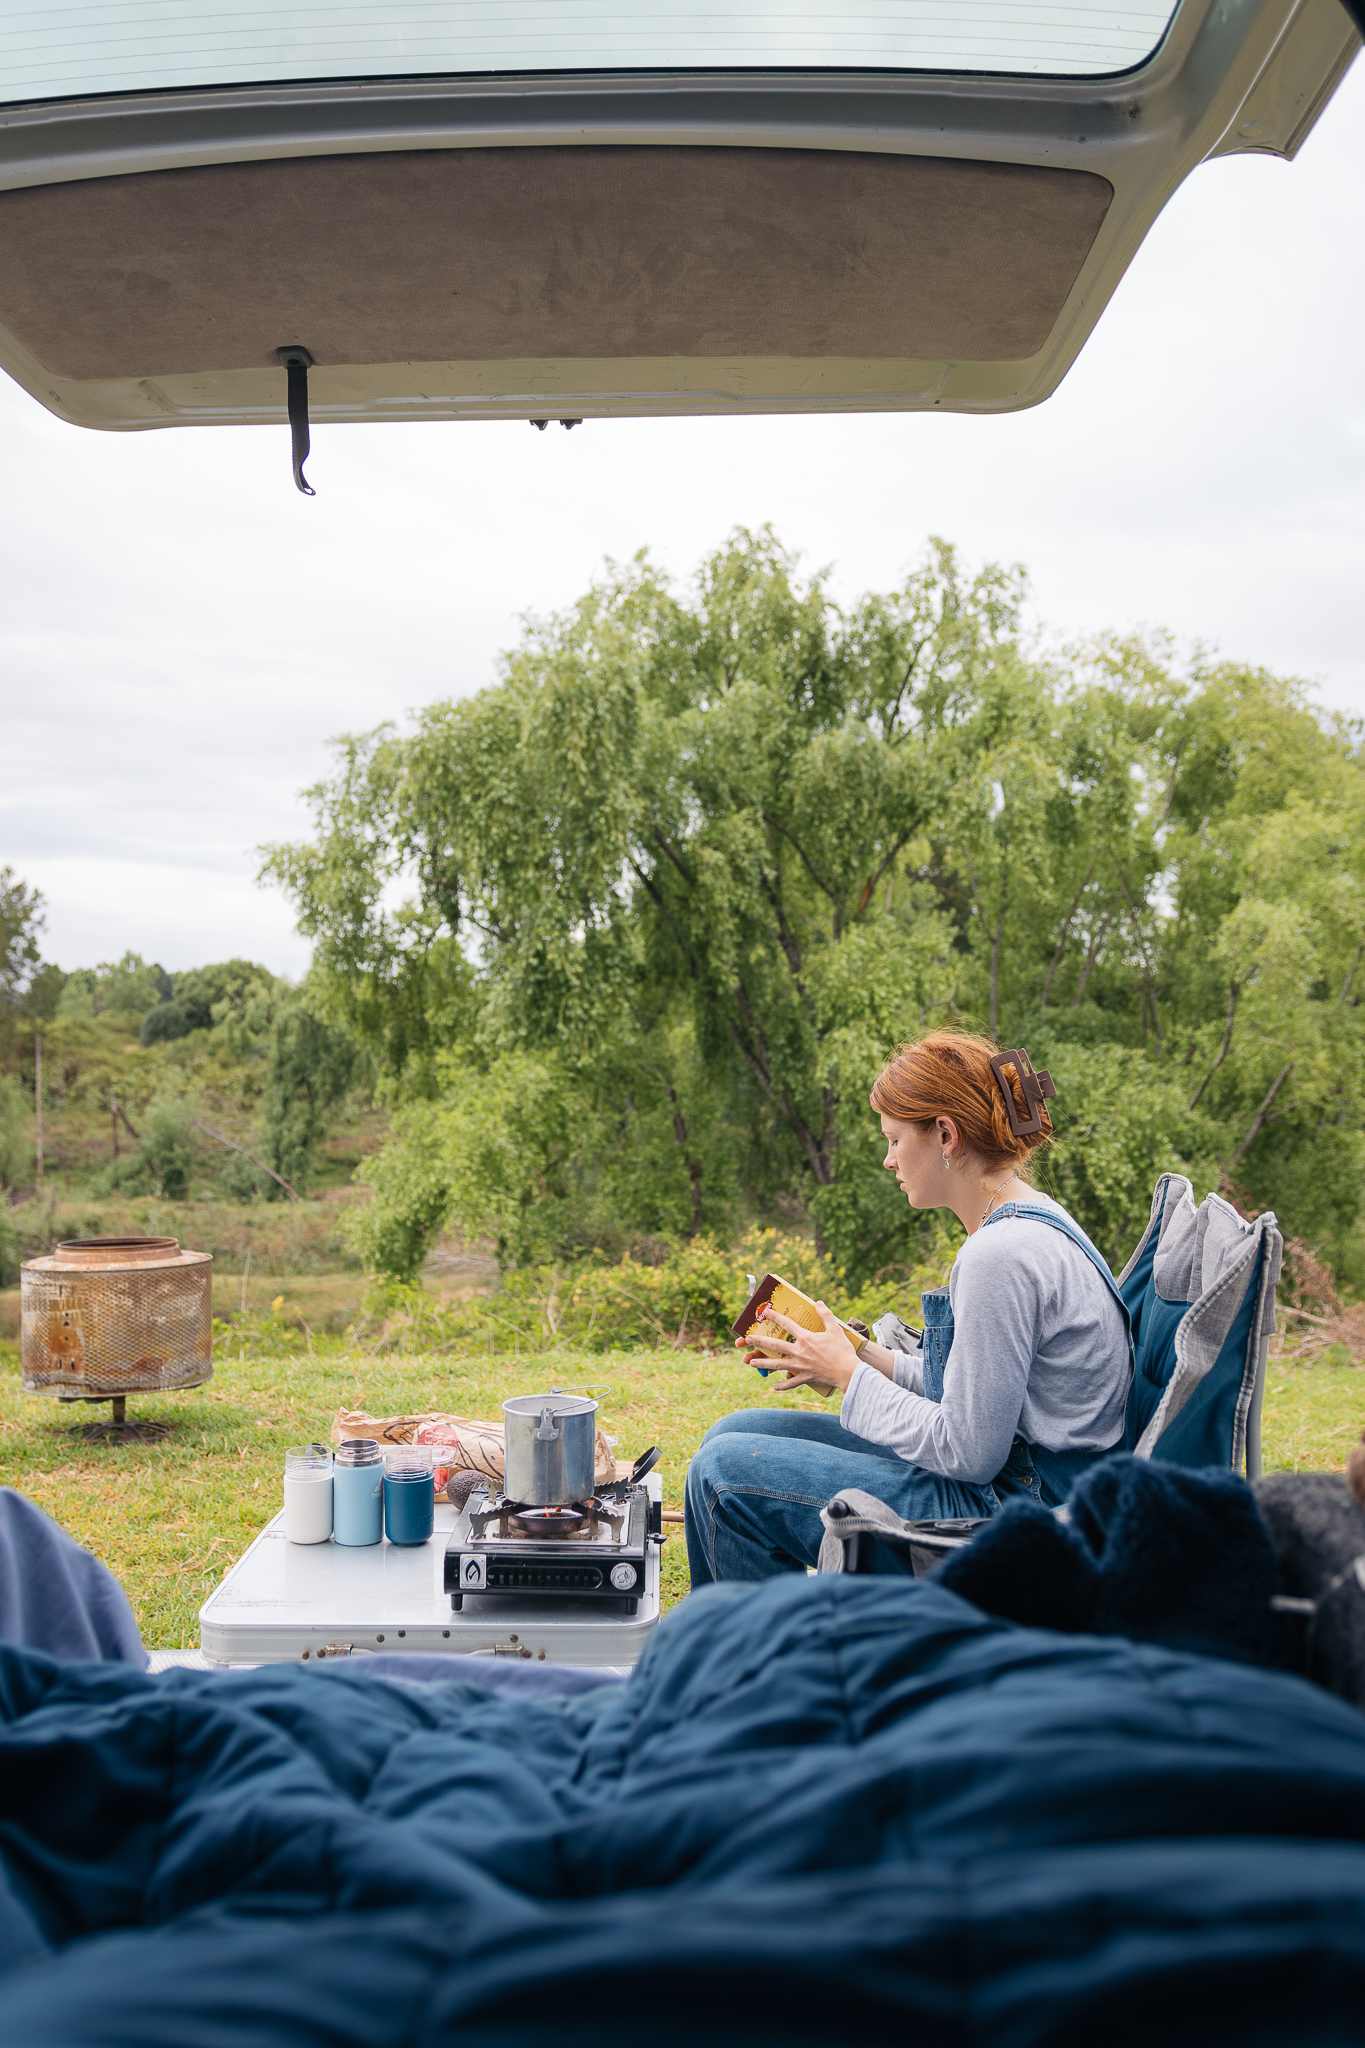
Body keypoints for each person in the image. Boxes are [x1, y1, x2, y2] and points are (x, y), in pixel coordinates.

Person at [685, 1031, 1135, 1587]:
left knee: (723, 1475)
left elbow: (968, 1451)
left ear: (945, 1134)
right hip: (1017, 1480)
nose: (888, 1159)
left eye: (895, 1140)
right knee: (734, 1431)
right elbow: (981, 1394)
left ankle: (759, 1644)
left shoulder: (1000, 1255)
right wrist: (860, 1354)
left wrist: (848, 1378)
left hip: (1021, 1516)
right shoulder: (1032, 1218)